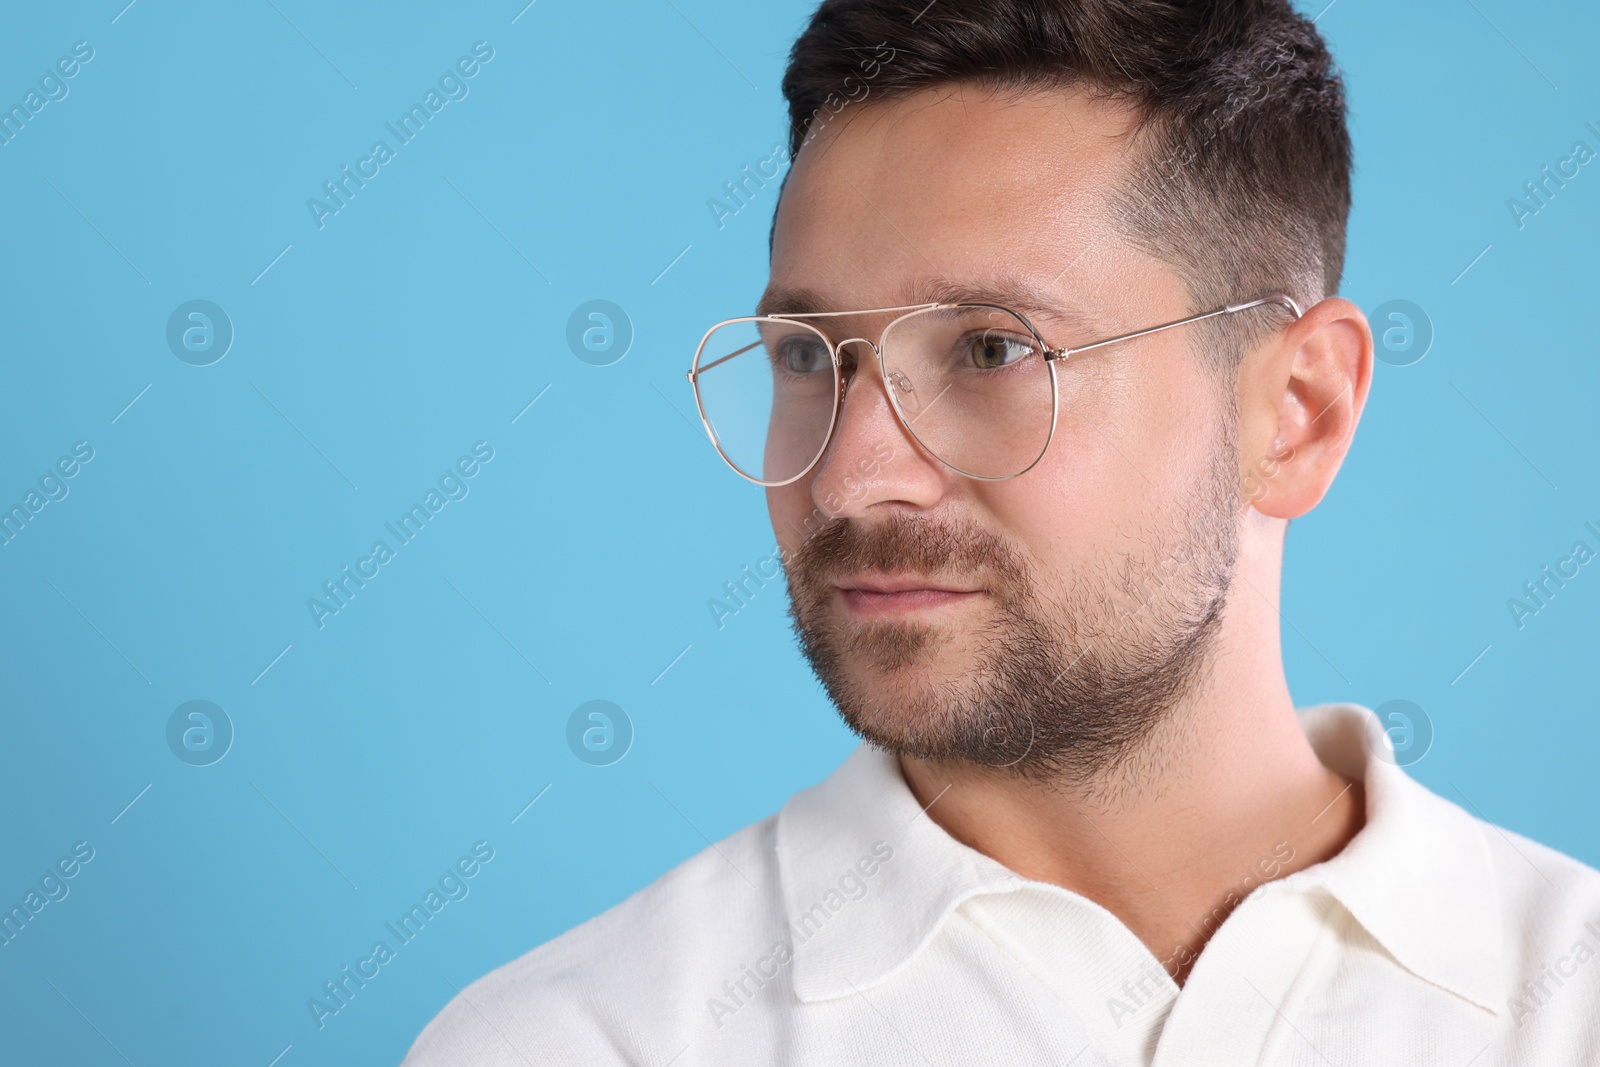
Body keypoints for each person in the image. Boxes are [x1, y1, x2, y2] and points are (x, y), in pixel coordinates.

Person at [403, 1, 1600, 1063]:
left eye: (992, 349)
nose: (851, 477)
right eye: (805, 357)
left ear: (1296, 413)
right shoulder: (583, 1038)